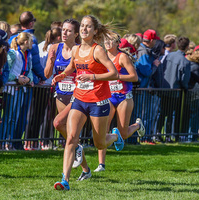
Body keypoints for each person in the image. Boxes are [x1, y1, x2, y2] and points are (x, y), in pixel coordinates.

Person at [53, 15, 123, 190]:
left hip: (98, 101)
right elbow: (72, 66)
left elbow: (114, 73)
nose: (84, 29)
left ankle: (114, 136)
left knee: (99, 143)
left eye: (88, 27)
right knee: (71, 138)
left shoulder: (97, 50)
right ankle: (65, 180)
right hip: (79, 99)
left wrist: (92, 76)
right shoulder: (76, 50)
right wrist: (63, 75)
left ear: (95, 31)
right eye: (82, 26)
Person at [94, 34, 145, 172]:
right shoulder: (102, 57)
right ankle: (101, 164)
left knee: (122, 133)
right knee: (103, 130)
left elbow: (134, 77)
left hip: (124, 97)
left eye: (111, 40)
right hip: (109, 97)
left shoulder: (122, 57)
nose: (107, 43)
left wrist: (116, 76)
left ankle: (137, 125)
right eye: (105, 40)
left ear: (117, 43)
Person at [46, 19, 86, 168]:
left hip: (76, 95)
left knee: (58, 123)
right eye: (63, 29)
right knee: (69, 134)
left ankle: (76, 150)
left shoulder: (80, 49)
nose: (64, 33)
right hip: (61, 93)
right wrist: (50, 62)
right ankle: (85, 168)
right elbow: (46, 74)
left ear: (76, 34)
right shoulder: (55, 48)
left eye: (69, 31)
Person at [0, 32, 34, 151]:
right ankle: (0, 143)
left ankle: (9, 143)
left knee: (15, 118)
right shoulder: (13, 54)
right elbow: (5, 71)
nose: (32, 44)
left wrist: (28, 79)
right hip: (11, 89)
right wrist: (17, 78)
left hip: (21, 89)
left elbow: (29, 71)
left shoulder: (28, 55)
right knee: (8, 117)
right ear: (25, 42)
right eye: (31, 41)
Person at [9, 11, 46, 85]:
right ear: (31, 23)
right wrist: (43, 77)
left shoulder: (12, 38)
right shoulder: (31, 38)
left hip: (16, 80)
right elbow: (35, 63)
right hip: (25, 81)